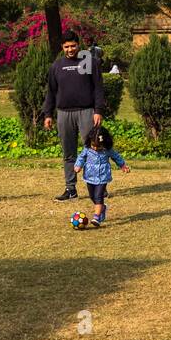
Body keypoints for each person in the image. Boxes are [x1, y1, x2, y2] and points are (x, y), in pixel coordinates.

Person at [41, 30, 107, 201]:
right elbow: (51, 92)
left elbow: (98, 88)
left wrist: (98, 110)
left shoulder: (89, 61)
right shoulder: (56, 66)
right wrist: (48, 114)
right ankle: (71, 189)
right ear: (62, 47)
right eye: (66, 47)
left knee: (93, 152)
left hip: (86, 112)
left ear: (78, 45)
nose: (70, 49)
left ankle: (97, 186)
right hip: (64, 114)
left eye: (73, 46)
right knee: (68, 153)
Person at [74, 123, 130, 227]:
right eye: (93, 145)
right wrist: (78, 165)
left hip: (102, 176)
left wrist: (122, 165)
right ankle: (102, 208)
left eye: (98, 146)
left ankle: (96, 217)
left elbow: (116, 157)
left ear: (104, 143)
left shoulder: (107, 150)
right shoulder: (87, 149)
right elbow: (81, 157)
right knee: (92, 196)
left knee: (99, 196)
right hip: (90, 176)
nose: (95, 148)